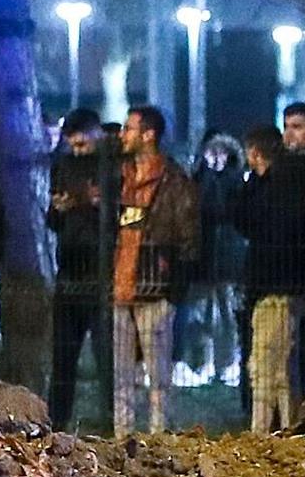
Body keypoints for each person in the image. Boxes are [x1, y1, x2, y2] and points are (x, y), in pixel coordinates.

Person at [229, 103, 305, 430]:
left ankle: (280, 426)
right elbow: (248, 219)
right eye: (287, 126)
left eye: (297, 126)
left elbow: (298, 222)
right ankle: (277, 426)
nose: (290, 133)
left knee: (290, 362)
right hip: (272, 278)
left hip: (300, 279)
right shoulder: (275, 175)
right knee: (273, 363)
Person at [106, 104, 199, 435]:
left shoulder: (174, 182)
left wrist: (173, 292)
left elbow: (188, 241)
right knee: (122, 377)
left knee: (158, 379)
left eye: (129, 129)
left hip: (154, 290)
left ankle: (159, 444)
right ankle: (123, 442)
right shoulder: (119, 178)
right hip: (122, 287)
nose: (122, 135)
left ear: (149, 135)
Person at [43, 108, 114, 431]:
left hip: (102, 274)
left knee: (107, 357)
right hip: (69, 271)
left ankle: (112, 418)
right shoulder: (64, 165)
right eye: (72, 143)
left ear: (97, 133)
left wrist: (98, 204)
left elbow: (119, 216)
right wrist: (59, 210)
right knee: (63, 356)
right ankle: (56, 421)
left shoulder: (113, 166)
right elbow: (53, 219)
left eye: (82, 142)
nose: (77, 148)